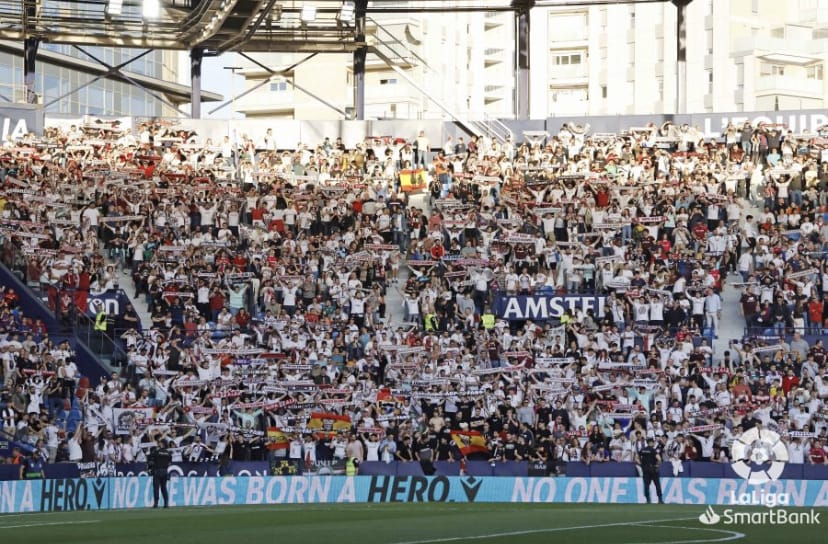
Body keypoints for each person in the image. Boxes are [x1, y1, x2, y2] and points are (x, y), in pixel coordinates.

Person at [636, 437, 664, 504]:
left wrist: (641, 464)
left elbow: (636, 458)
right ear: (652, 443)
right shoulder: (653, 450)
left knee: (646, 485)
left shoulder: (642, 450)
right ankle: (660, 499)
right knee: (657, 484)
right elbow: (659, 459)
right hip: (653, 469)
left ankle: (648, 500)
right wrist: (657, 465)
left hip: (645, 469)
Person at [147, 439, 173, 508]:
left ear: (162, 444)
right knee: (164, 488)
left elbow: (150, 459)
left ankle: (156, 503)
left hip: (157, 471)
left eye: (160, 443)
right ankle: (166, 503)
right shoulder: (168, 453)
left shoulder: (157, 451)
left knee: (156, 488)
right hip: (165, 471)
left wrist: (150, 467)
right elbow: (170, 463)